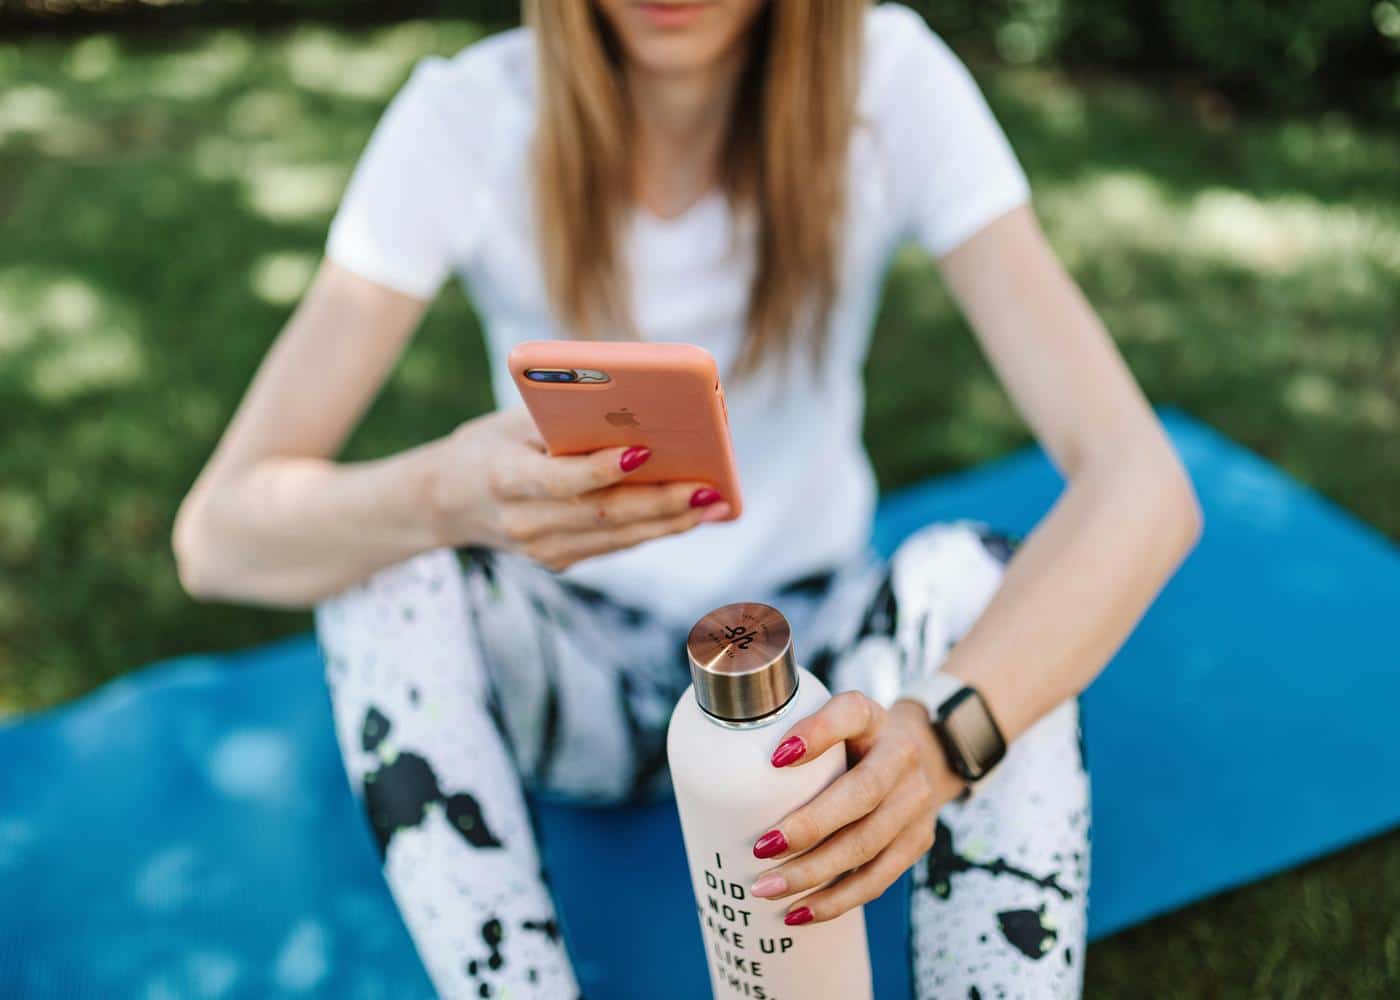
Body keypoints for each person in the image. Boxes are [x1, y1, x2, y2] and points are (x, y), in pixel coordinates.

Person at [174, 1, 1201, 996]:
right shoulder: (463, 117)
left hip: (821, 689)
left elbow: (1143, 487)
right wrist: (446, 494)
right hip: (572, 665)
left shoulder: (888, 81)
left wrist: (937, 739)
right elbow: (216, 539)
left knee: (973, 580)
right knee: (383, 564)